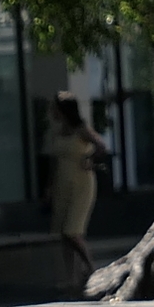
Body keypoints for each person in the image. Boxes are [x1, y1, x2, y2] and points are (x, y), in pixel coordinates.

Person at [49, 93, 107, 282]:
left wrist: (89, 159)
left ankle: (92, 270)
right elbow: (54, 161)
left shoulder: (81, 130)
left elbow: (100, 145)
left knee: (72, 231)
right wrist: (49, 186)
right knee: (64, 235)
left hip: (81, 183)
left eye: (55, 108)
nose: (52, 112)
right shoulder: (58, 131)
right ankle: (71, 280)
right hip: (62, 184)